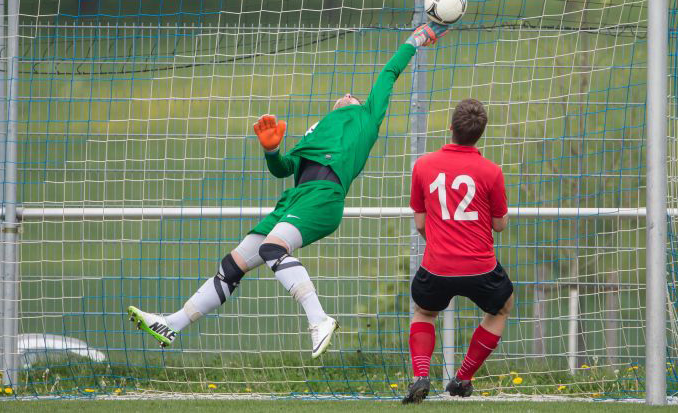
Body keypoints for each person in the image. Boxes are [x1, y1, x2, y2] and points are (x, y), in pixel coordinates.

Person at [127, 21, 450, 358]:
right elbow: (282, 170)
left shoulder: (367, 116)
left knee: (271, 250)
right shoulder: (313, 136)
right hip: (295, 199)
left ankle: (319, 319)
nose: (346, 94)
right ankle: (172, 324)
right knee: (232, 266)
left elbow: (389, 72)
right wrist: (271, 151)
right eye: (343, 96)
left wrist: (415, 40)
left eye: (351, 95)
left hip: (324, 195)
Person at [402, 98, 514, 404]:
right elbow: (500, 225)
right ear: (481, 133)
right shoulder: (491, 171)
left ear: (451, 128)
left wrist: (439, 242)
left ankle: (421, 375)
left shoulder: (423, 165)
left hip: (437, 266)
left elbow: (421, 222)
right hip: (481, 267)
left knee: (425, 311)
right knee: (502, 307)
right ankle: (463, 378)